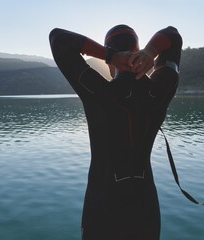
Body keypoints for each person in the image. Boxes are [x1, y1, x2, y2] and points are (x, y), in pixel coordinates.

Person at [49, 25, 182, 240]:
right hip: (145, 208)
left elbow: (58, 38)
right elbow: (173, 36)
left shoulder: (98, 92)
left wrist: (109, 55)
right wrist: (150, 51)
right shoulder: (162, 89)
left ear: (111, 65)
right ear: (139, 53)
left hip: (103, 207)